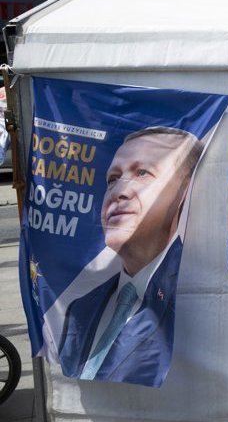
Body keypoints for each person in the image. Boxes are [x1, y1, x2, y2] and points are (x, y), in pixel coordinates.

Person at [57, 127, 202, 386]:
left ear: (186, 191)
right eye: (113, 179)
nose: (118, 191)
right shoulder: (80, 308)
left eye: (142, 173)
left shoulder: (199, 299)